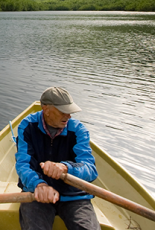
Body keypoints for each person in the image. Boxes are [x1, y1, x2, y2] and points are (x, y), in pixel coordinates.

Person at [15, 87, 100, 230]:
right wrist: (39, 185)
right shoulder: (27, 126)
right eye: (63, 112)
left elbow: (90, 170)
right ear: (46, 110)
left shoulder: (78, 130)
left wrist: (66, 168)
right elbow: (23, 165)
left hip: (73, 195)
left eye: (70, 112)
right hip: (37, 194)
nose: (68, 116)